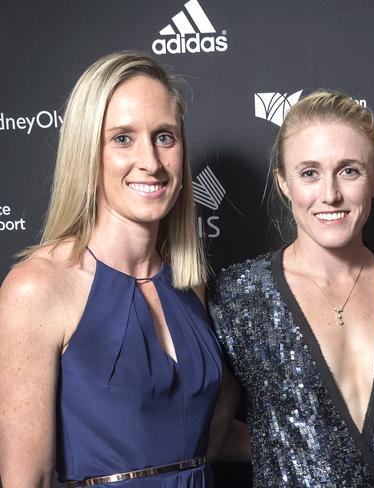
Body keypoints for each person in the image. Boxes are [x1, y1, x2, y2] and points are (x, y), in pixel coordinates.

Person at [0, 51, 222, 486]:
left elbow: (203, 434)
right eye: (123, 138)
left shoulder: (189, 287)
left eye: (164, 136)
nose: (152, 162)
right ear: (88, 151)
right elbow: (29, 479)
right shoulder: (37, 288)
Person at [208, 91, 374, 487]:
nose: (330, 194)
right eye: (309, 173)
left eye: (349, 170)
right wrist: (294, 451)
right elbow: (208, 430)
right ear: (283, 181)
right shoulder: (237, 296)